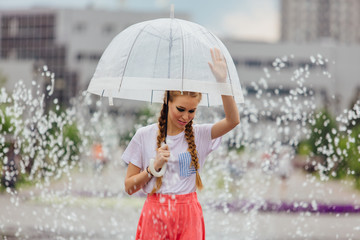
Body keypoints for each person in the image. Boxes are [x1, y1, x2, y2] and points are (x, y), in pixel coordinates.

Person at [122, 48, 240, 240]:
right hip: (155, 213)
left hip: (189, 214)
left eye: (192, 111)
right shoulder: (144, 135)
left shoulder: (200, 134)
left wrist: (222, 83)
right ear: (167, 102)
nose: (186, 116)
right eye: (181, 109)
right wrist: (153, 168)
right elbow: (129, 187)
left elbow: (233, 120)